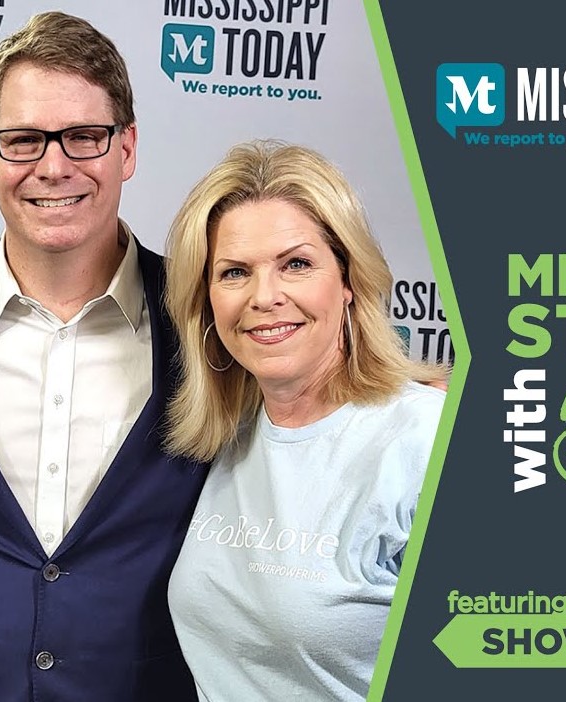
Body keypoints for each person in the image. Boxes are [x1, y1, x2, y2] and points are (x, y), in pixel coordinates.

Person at [0, 12, 204, 701]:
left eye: (84, 136)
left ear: (127, 148)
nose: (54, 167)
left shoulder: (206, 323)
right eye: (24, 140)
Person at [163, 141, 448, 701]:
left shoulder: (427, 440)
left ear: (347, 279)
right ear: (208, 300)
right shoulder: (230, 436)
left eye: (296, 264)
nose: (264, 296)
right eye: (234, 272)